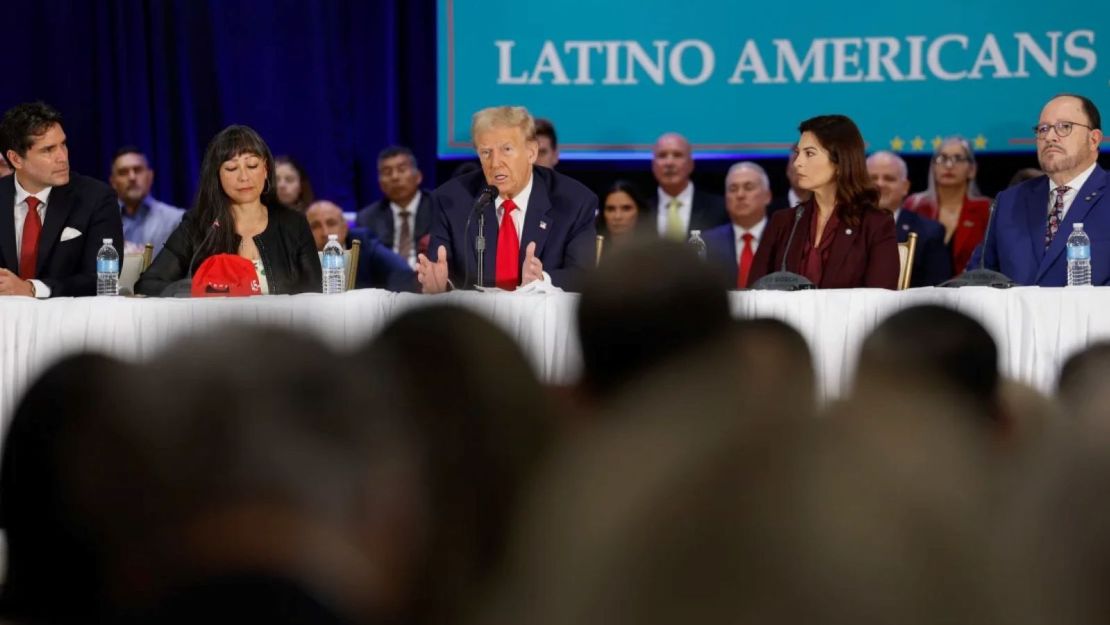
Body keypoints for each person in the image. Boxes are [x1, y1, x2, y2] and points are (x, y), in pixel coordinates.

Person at [418, 106, 596, 293]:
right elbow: (441, 272)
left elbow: (583, 276)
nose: (495, 163)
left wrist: (542, 279)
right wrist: (440, 286)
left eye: (506, 150)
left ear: (531, 152)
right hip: (473, 320)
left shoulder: (575, 201)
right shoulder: (451, 200)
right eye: (486, 152)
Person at [136, 125, 321, 296]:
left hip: (281, 328)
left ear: (265, 169)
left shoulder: (293, 223)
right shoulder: (197, 225)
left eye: (252, 165)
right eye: (232, 168)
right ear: (217, 175)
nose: (244, 177)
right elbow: (148, 284)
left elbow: (314, 291)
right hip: (215, 329)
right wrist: (200, 288)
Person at [749, 115, 899, 289]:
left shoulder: (875, 224)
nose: (797, 163)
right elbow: (754, 292)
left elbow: (880, 299)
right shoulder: (783, 223)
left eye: (809, 153)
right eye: (798, 153)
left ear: (840, 161)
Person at [973, 94, 1106, 285]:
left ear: (1093, 139)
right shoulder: (1009, 202)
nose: (1050, 137)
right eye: (1043, 129)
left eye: (1064, 127)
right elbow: (978, 276)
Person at [0, 101, 122, 298]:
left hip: (71, 322)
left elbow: (102, 278)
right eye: (48, 150)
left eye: (63, 144)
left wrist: (32, 289)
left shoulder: (96, 198)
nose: (62, 157)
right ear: (15, 159)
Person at [903, 137, 991, 274]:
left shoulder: (985, 209)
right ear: (933, 167)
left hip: (970, 290)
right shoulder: (915, 205)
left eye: (958, 158)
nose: (949, 165)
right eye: (942, 158)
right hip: (920, 291)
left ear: (972, 169)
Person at [867, 151, 951, 286]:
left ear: (905, 187)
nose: (880, 184)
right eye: (872, 178)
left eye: (889, 178)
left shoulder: (930, 232)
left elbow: (938, 291)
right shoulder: (844, 227)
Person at [305, 199, 417, 291]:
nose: (325, 232)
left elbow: (401, 272)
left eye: (331, 223)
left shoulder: (362, 243)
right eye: (315, 226)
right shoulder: (299, 253)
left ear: (345, 227)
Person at [356, 146, 432, 267]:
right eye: (387, 172)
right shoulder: (367, 218)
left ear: (418, 176)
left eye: (402, 170)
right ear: (380, 183)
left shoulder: (438, 209)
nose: (395, 177)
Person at [702, 162, 771, 289]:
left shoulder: (786, 239)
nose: (740, 195)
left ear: (767, 196)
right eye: (733, 189)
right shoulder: (706, 243)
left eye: (748, 187)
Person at [646, 132, 727, 241]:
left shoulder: (719, 208)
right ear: (653, 165)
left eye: (677, 155)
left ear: (691, 164)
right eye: (662, 156)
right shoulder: (641, 211)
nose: (669, 163)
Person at [109, 146, 184, 255]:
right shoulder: (101, 222)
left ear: (150, 176)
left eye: (138, 170)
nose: (132, 177)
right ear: (113, 182)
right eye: (123, 172)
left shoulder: (176, 220)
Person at [596, 180, 651, 256]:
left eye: (626, 208)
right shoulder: (592, 252)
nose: (617, 216)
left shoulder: (655, 252)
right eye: (610, 209)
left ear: (640, 211)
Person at [767, 149, 812, 215]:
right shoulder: (769, 212)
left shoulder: (830, 209)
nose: (801, 166)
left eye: (808, 161)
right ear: (788, 170)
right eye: (796, 160)